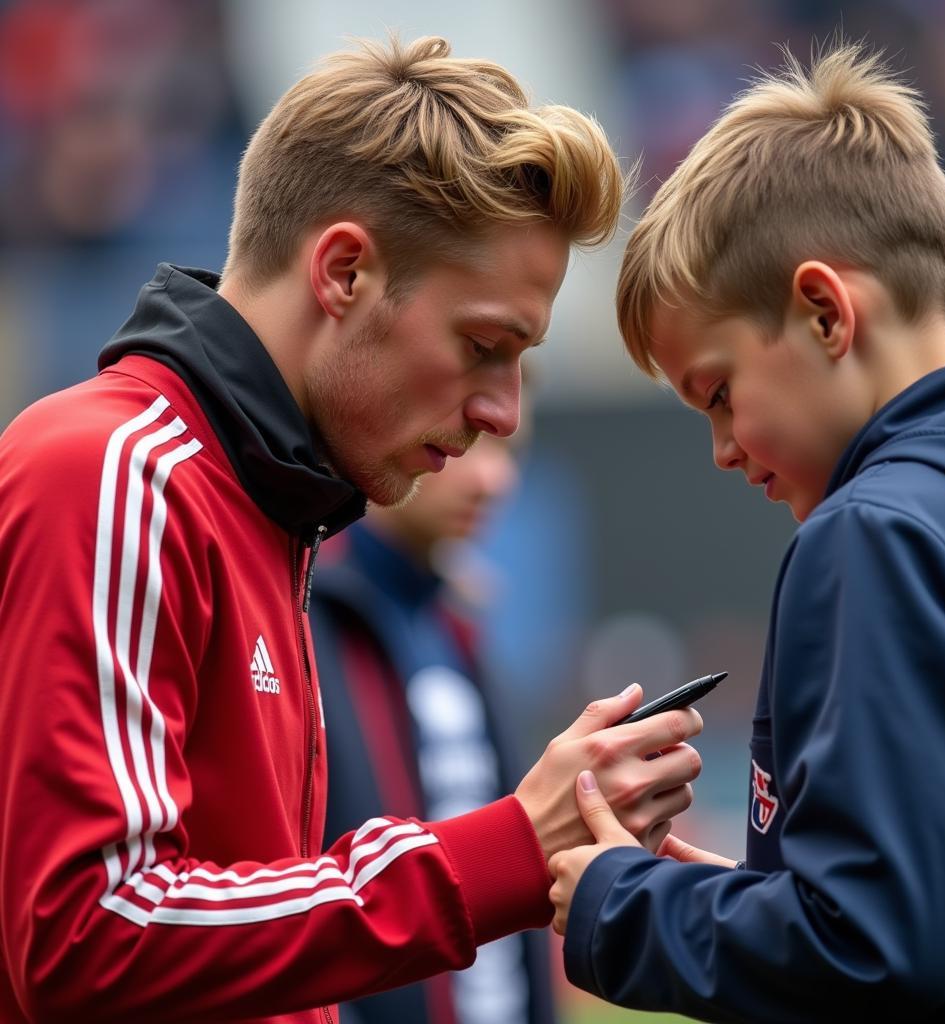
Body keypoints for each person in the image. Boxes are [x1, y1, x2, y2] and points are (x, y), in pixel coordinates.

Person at [0, 36, 704, 1024]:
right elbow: (88, 934)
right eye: (483, 346)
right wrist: (504, 846)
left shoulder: (276, 507)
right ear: (341, 272)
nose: (504, 411)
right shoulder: (117, 471)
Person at [548, 42, 945, 1022]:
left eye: (719, 393)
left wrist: (622, 902)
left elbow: (874, 950)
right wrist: (757, 896)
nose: (722, 449)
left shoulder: (875, 535)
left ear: (821, 310)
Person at [310, 381, 556, 1024]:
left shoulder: (460, 623)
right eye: (468, 445)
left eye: (511, 453)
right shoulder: (303, 612)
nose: (495, 481)